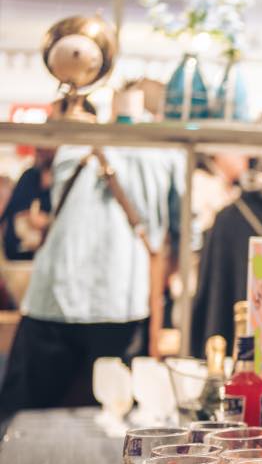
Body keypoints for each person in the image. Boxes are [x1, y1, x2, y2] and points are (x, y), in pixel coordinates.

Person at [0, 145, 183, 417]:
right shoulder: (164, 152)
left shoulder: (73, 145)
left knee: (22, 420)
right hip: (117, 303)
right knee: (118, 425)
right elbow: (184, 235)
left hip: (59, 300)